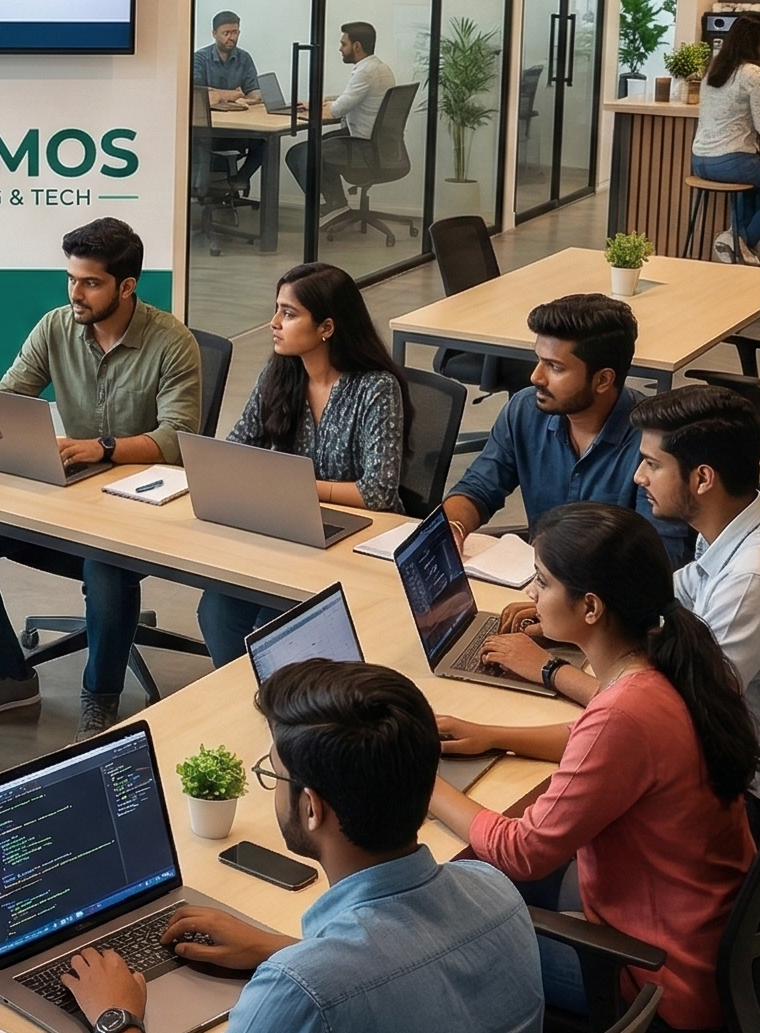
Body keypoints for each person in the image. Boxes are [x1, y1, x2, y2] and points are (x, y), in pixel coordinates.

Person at [60, 660, 542, 1033]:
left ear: (311, 808)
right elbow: (397, 972)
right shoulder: (494, 891)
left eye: (274, 774)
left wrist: (117, 1019)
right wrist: (280, 948)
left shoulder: (307, 996)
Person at [431, 502, 757, 1032]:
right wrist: (494, 736)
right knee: (467, 882)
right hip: (694, 936)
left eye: (542, 581)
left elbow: (523, 851)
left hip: (657, 976)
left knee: (442, 936)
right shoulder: (664, 666)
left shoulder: (626, 710)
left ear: (591, 608)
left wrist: (426, 785)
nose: (531, 595)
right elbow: (597, 742)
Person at [0, 219, 203, 736]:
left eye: (91, 283)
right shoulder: (55, 326)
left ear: (127, 286)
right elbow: (8, 397)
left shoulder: (172, 342)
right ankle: (9, 677)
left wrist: (103, 447)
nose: (75, 293)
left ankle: (100, 700)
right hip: (71, 501)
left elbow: (178, 437)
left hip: (141, 510)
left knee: (107, 564)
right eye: (72, 279)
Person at [479, 384, 760, 828]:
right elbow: (665, 595)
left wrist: (549, 670)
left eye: (652, 464)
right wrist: (570, 606)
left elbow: (678, 714)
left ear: (703, 479)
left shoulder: (748, 579)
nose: (638, 478)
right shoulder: (724, 535)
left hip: (739, 793)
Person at [201, 261, 411, 664]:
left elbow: (378, 493)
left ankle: (280, 695)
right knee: (217, 611)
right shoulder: (279, 372)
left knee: (271, 626)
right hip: (291, 528)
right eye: (277, 310)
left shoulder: (376, 388)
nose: (274, 323)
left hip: (357, 539)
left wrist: (295, 488)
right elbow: (236, 449)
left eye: (289, 313)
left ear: (326, 327)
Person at [442, 292, 691, 565]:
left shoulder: (653, 443)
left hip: (608, 587)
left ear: (603, 380)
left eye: (555, 367)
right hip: (540, 577)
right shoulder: (524, 410)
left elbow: (656, 561)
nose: (536, 376)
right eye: (539, 360)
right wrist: (453, 528)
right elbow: (478, 488)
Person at [286, 21, 394, 215]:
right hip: (375, 142)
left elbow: (335, 111)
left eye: (344, 44)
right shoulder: (378, 67)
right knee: (315, 146)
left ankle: (331, 204)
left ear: (357, 46)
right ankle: (336, 202)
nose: (340, 48)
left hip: (362, 145)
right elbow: (348, 99)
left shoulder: (365, 72)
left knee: (300, 154)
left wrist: (308, 111)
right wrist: (319, 102)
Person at [692, 12, 760, 261]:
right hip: (732, 162)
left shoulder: (714, 69)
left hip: (700, 160)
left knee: (752, 183)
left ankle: (738, 243)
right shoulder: (753, 74)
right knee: (749, 170)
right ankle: (737, 241)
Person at [193, 9, 263, 193]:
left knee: (265, 143)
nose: (232, 37)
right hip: (209, 132)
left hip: (238, 128)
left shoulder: (244, 58)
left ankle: (240, 179)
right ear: (214, 33)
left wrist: (222, 95)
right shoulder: (200, 58)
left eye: (235, 32)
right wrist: (235, 94)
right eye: (226, 33)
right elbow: (201, 96)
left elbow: (255, 94)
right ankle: (206, 189)